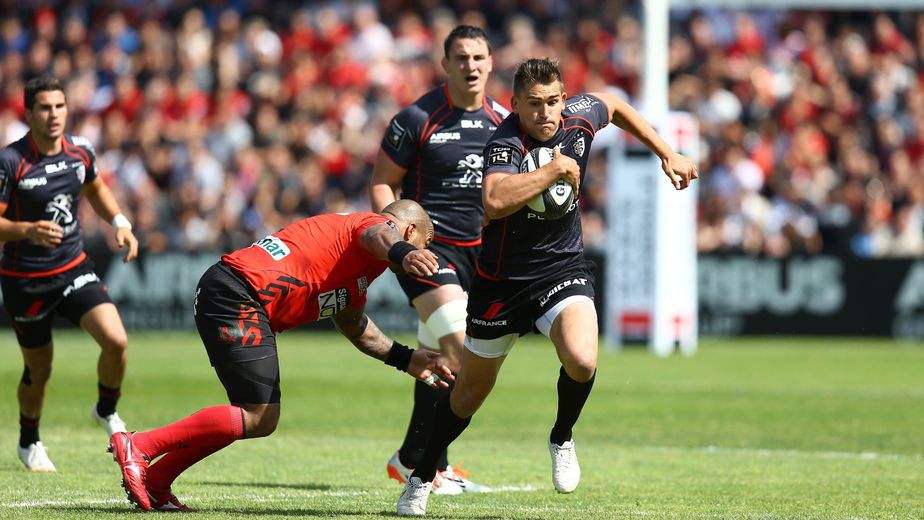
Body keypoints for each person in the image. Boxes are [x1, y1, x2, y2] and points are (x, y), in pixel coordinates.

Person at [395, 58, 699, 516]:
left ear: (564, 97)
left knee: (582, 358)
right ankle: (419, 477)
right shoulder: (504, 141)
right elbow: (495, 202)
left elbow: (614, 106)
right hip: (501, 283)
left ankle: (562, 436)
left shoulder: (579, 115)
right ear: (515, 105)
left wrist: (666, 152)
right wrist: (554, 172)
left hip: (561, 269)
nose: (545, 113)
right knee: (467, 396)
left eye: (553, 101)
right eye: (534, 104)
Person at [107, 199, 456, 512]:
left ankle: (156, 481)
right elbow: (381, 234)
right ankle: (140, 445)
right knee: (258, 415)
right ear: (408, 230)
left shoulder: (365, 267)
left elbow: (354, 326)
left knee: (253, 415)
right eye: (421, 245)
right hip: (238, 293)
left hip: (236, 294)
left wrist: (407, 359)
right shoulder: (371, 228)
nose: (420, 255)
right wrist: (404, 253)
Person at [369, 24, 506, 494]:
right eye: (461, 57)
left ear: (491, 63)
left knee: (437, 357)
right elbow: (382, 183)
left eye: (479, 57)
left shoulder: (504, 122)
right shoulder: (416, 118)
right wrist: (399, 242)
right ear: (445, 63)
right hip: (428, 255)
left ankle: (411, 458)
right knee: (460, 353)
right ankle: (429, 468)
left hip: (480, 260)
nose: (471, 65)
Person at [0, 76, 139, 473]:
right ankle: (29, 441)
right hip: (25, 281)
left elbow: (94, 187)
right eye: (44, 108)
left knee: (116, 340)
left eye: (59, 106)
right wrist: (26, 229)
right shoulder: (11, 161)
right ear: (28, 113)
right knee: (39, 370)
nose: (54, 114)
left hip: (74, 269)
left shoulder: (80, 151)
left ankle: (105, 409)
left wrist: (120, 221)